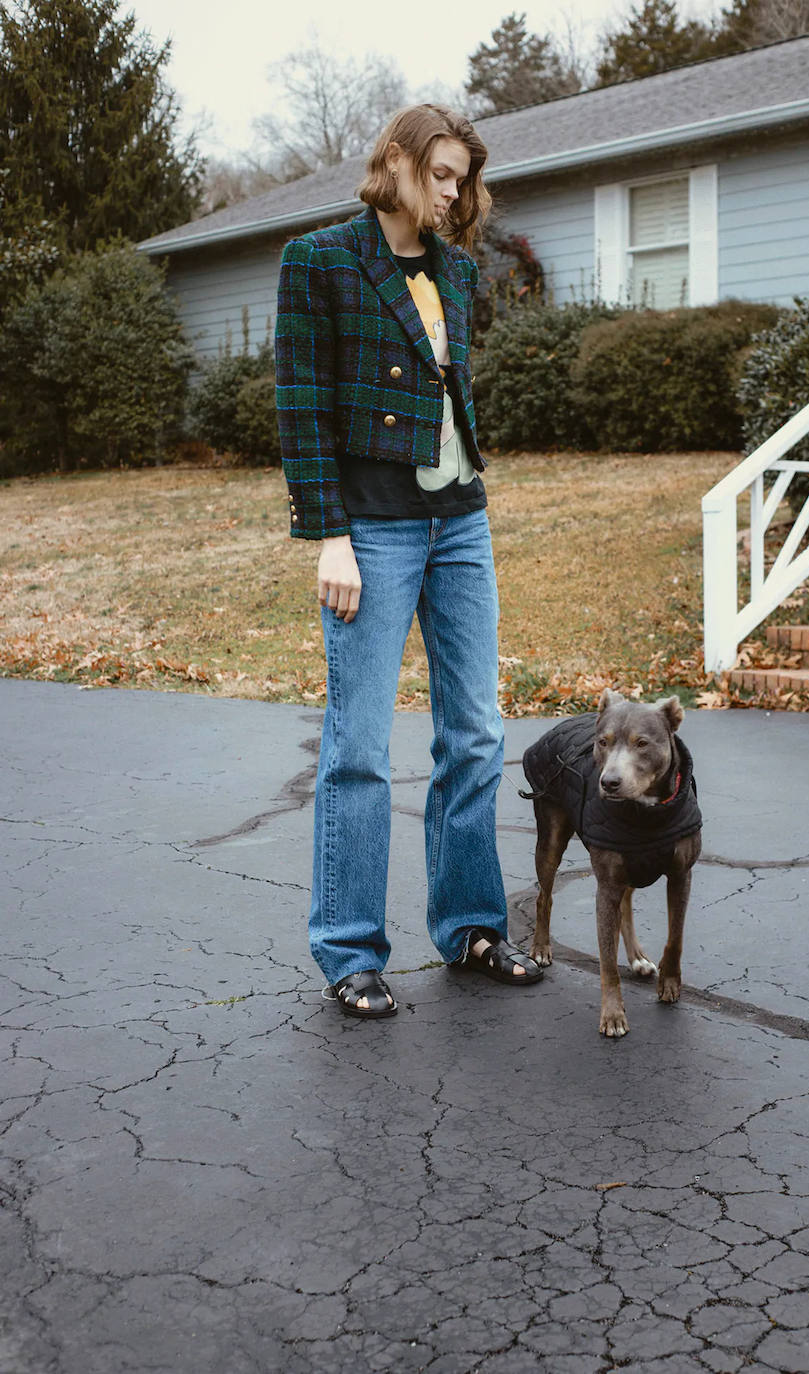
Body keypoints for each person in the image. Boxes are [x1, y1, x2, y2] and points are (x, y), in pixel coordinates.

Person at [275, 104, 543, 1018]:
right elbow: (303, 410)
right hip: (375, 529)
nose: (454, 190)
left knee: (475, 734)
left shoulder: (455, 272)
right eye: (440, 173)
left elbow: (448, 395)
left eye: (462, 177)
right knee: (358, 748)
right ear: (393, 161)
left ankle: (470, 925)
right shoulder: (321, 261)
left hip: (460, 523)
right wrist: (331, 538)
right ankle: (350, 951)